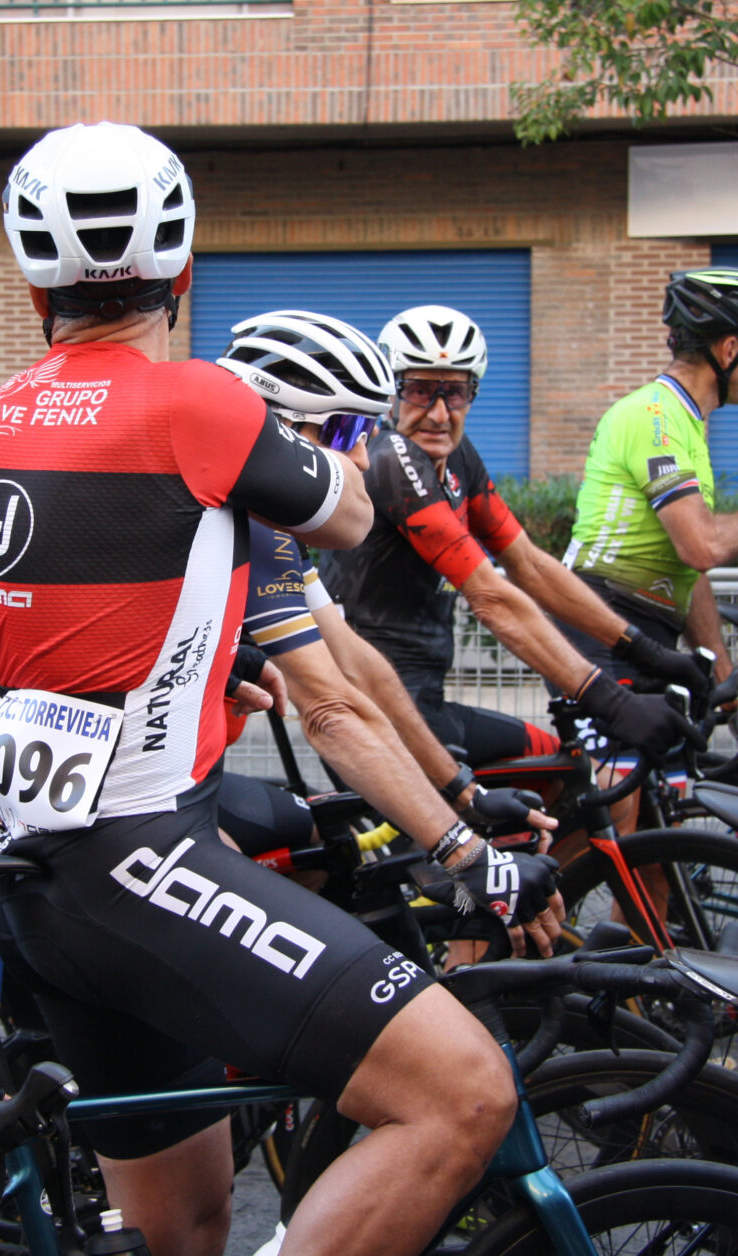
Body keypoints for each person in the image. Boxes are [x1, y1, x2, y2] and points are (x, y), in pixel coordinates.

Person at [0, 122, 533, 1256]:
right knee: (464, 1091)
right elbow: (350, 518)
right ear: (182, 271)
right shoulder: (197, 400)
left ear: (32, 288)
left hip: (40, 879)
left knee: (185, 1227)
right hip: (145, 858)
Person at [215, 308, 563, 966]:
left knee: (335, 859)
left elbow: (357, 667)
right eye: (345, 431)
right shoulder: (239, 520)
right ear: (278, 428)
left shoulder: (271, 528)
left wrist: (461, 792)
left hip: (179, 778)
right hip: (114, 795)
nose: (361, 457)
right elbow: (329, 711)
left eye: (368, 432)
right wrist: (466, 853)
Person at [320, 303, 710, 783]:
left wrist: (645, 650)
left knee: (567, 774)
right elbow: (490, 596)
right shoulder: (391, 459)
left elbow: (528, 564)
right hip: (378, 715)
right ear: (393, 394)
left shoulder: (457, 457)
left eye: (455, 393)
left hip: (425, 705)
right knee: (496, 825)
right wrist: (611, 701)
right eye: (420, 390)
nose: (439, 414)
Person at [563, 268, 738, 790]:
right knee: (619, 807)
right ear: (729, 349)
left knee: (666, 800)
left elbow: (687, 574)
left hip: (645, 635)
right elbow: (702, 547)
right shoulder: (654, 416)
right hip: (598, 626)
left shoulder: (686, 423)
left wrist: (729, 688)